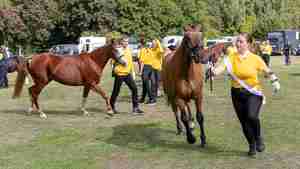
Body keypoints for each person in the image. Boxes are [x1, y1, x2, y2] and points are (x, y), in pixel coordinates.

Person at [211, 33, 281, 156]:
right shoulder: (230, 57)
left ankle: (258, 138)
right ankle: (251, 145)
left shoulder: (255, 58)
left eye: (241, 41)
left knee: (252, 116)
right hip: (236, 94)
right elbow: (219, 69)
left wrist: (274, 81)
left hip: (253, 92)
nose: (238, 44)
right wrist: (212, 72)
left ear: (248, 44)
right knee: (244, 122)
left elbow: (267, 70)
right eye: (237, 41)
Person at [109, 36, 144, 115]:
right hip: (120, 74)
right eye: (125, 41)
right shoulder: (118, 50)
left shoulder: (128, 50)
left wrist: (133, 73)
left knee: (134, 89)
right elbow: (112, 62)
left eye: (127, 41)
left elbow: (131, 62)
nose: (126, 43)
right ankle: (111, 107)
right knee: (116, 91)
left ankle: (135, 108)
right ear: (121, 42)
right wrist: (115, 69)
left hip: (128, 74)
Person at [138, 40, 156, 105]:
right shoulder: (150, 50)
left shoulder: (142, 50)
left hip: (145, 67)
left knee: (146, 83)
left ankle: (151, 99)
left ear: (141, 44)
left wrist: (140, 71)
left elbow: (141, 61)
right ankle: (142, 99)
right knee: (144, 83)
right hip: (151, 67)